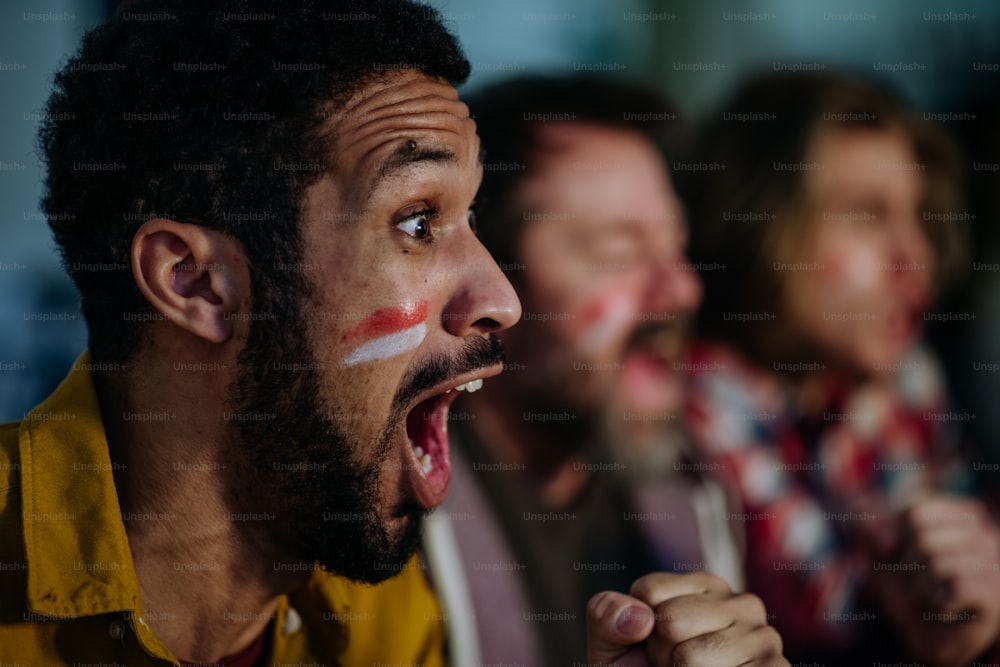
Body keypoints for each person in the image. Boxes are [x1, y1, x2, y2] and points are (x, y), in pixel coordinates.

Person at [0, 3, 784, 666]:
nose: (501, 300)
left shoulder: (388, 619)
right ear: (196, 283)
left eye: (469, 218)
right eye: (417, 221)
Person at [422, 75, 785, 667]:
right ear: (488, 282)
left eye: (677, 248)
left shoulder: (697, 499)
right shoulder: (386, 534)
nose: (683, 290)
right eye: (618, 253)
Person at [681, 70, 1000, 667]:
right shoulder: (685, 416)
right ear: (762, 222)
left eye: (919, 216)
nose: (916, 258)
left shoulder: (903, 388)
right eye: (866, 215)